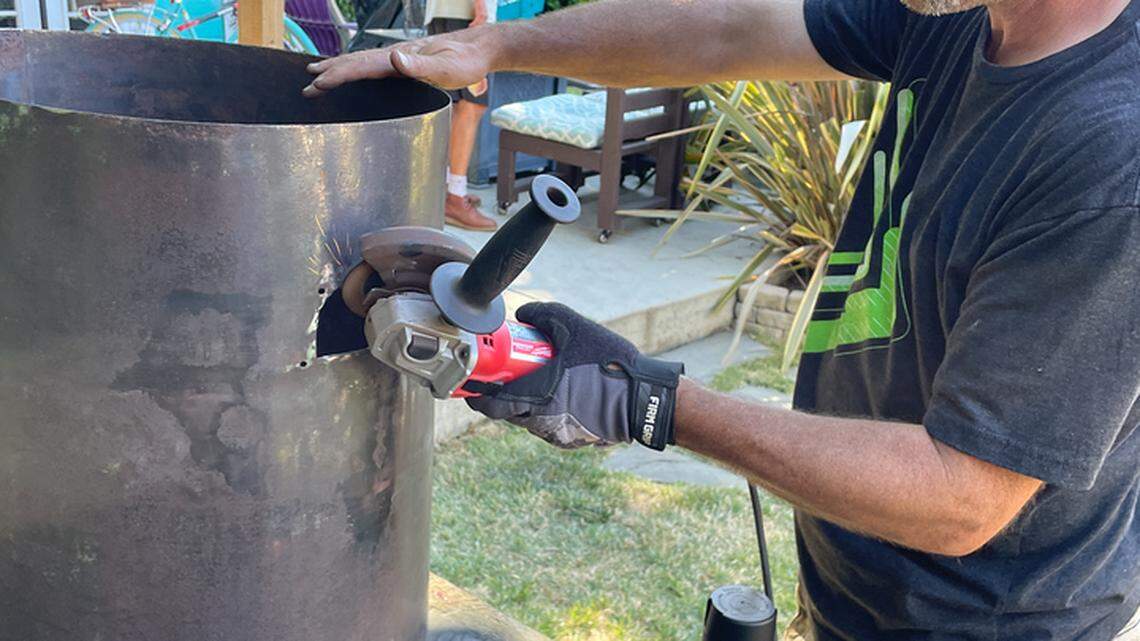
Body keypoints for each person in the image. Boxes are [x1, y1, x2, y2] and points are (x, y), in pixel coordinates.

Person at [304, 1, 1140, 639]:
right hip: (859, 569)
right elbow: (722, 30)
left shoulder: (1109, 154)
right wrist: (502, 45)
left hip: (992, 616)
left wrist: (649, 400)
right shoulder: (964, 18)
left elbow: (962, 495)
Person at [423, 0, 499, 231]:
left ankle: (448, 188)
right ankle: (455, 198)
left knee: (457, 104)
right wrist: (481, 9)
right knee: (471, 104)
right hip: (465, 15)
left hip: (453, 13)